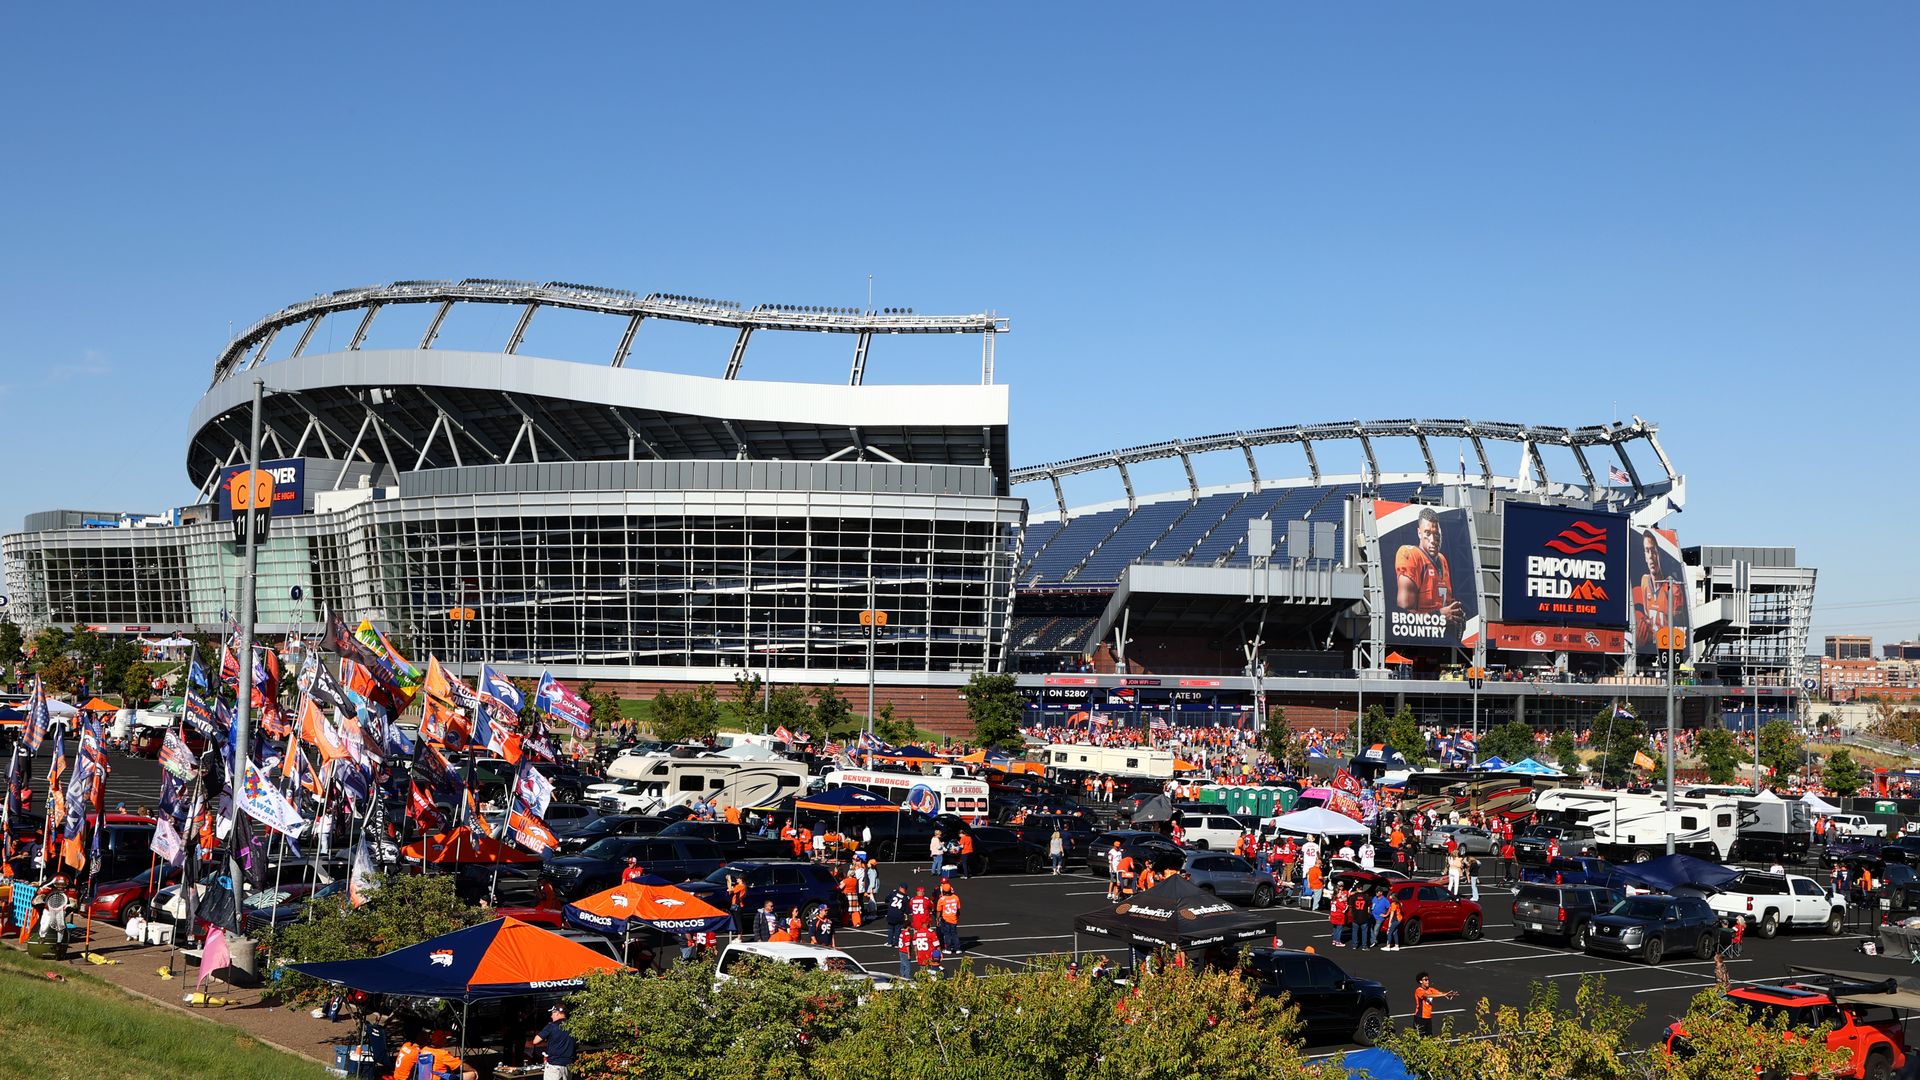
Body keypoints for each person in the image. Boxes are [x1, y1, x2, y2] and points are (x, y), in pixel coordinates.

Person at [1394, 508, 1465, 630]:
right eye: (1427, 533)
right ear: (1419, 533)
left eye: (1436, 534)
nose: (1433, 540)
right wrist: (1439, 616)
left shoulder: (1442, 560)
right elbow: (1403, 615)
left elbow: (1446, 604)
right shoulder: (1410, 555)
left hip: (1441, 634)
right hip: (1418, 637)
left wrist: (1454, 614)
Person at [529, 1004, 578, 1080]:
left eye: (552, 1013)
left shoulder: (551, 1026)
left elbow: (535, 1041)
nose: (551, 1016)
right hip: (569, 1066)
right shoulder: (574, 1026)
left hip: (554, 1066)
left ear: (557, 1013)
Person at [936, 881, 962, 954]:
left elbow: (938, 911)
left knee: (947, 934)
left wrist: (937, 919)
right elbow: (958, 909)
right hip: (953, 918)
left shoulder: (941, 899)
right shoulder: (956, 898)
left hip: (946, 919)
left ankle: (948, 949)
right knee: (954, 933)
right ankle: (958, 948)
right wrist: (957, 917)